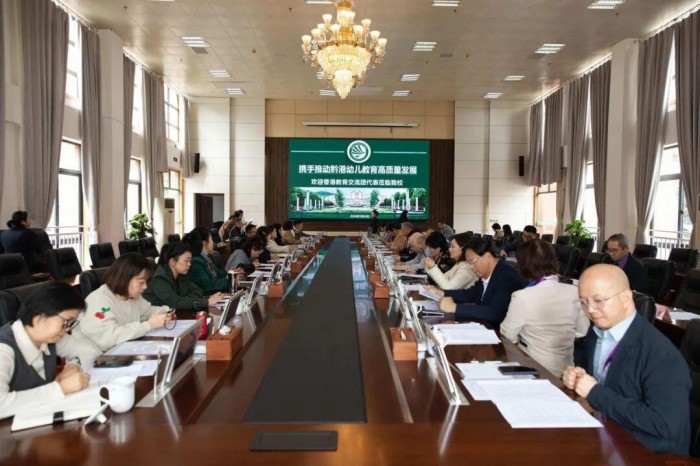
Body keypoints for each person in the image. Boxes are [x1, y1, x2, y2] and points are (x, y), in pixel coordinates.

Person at [562, 264, 691, 455]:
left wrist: (595, 392)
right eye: (584, 302)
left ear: (625, 298)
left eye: (598, 300)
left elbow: (664, 425)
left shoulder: (661, 355)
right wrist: (578, 377)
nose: (590, 310)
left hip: (648, 452)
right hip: (606, 434)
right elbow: (601, 383)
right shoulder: (597, 332)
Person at [0, 283, 91, 420]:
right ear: (40, 317)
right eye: (66, 322)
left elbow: (89, 349)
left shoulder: (49, 337)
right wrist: (60, 389)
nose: (67, 329)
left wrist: (72, 365)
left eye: (71, 324)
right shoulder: (4, 349)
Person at [499, 240, 590, 378]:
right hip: (567, 372)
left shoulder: (522, 296)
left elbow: (507, 336)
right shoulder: (575, 292)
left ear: (523, 265)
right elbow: (582, 331)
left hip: (532, 369)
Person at [74, 253, 173, 352]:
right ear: (125, 278)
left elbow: (147, 311)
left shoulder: (131, 296)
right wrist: (148, 325)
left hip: (123, 351)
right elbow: (109, 338)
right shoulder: (99, 301)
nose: (145, 287)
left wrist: (164, 312)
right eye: (141, 282)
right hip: (96, 357)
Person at [437, 238, 525, 325]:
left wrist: (455, 307)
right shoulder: (487, 274)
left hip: (500, 331)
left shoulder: (507, 277)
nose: (471, 267)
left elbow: (494, 313)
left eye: (472, 262)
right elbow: (470, 294)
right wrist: (442, 293)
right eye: (468, 263)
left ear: (487, 256)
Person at [143, 243, 222, 310]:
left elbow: (198, 290)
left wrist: (186, 300)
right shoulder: (159, 278)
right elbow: (176, 303)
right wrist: (207, 302)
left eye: (190, 261)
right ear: (172, 261)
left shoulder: (181, 275)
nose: (189, 264)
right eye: (186, 261)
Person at [185, 227, 229, 294]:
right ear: (205, 243)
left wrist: (233, 274)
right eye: (211, 239)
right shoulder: (196, 262)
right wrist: (229, 280)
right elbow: (208, 286)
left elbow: (220, 274)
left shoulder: (206, 258)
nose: (213, 242)